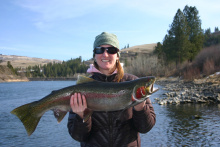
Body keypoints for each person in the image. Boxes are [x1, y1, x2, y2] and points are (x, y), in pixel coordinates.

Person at [67, 32, 156, 147]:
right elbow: (78, 136)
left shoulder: (134, 82)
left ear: (117, 55)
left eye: (111, 50)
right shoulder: (81, 90)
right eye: (100, 50)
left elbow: (145, 128)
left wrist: (140, 108)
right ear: (94, 55)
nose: (105, 54)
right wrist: (80, 116)